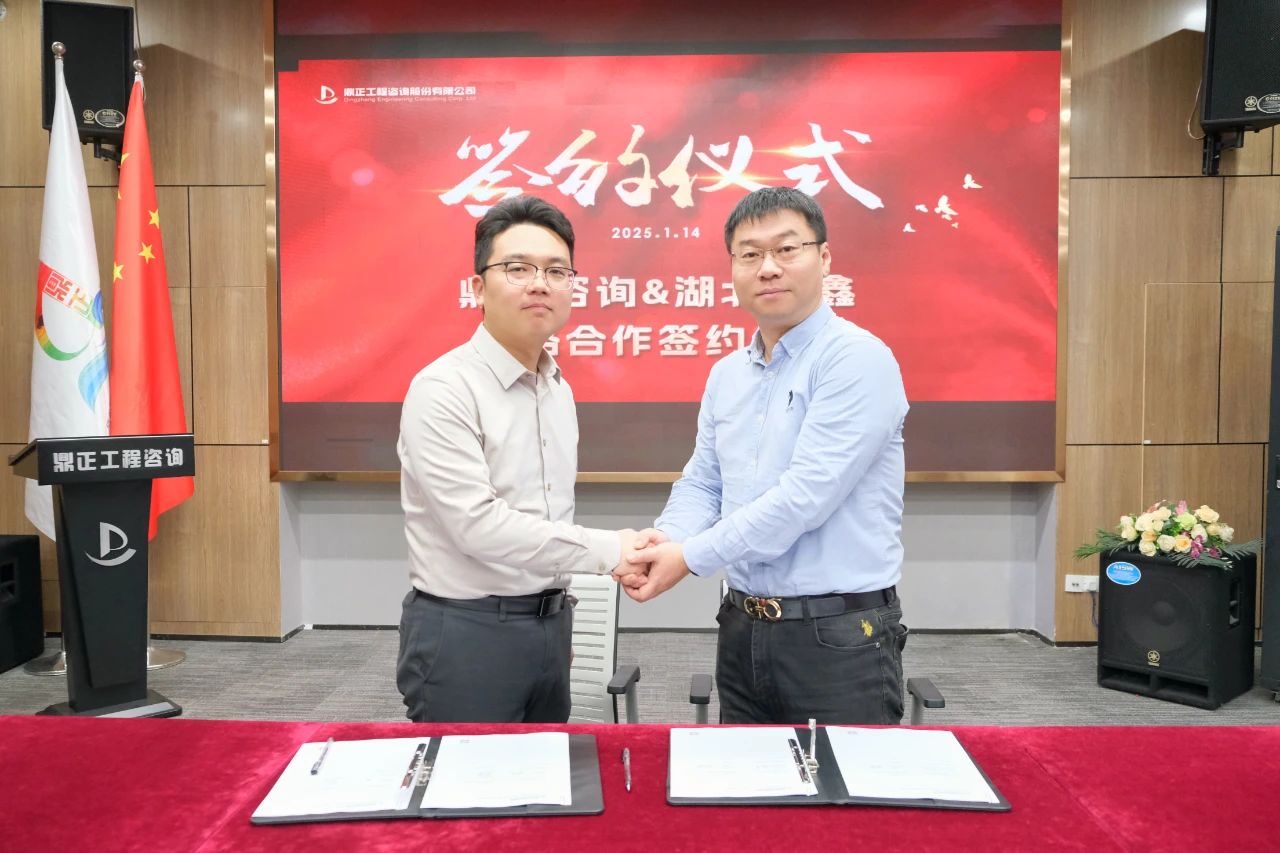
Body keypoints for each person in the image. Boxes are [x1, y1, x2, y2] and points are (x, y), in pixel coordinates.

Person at [619, 186, 910, 725]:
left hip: (837, 636)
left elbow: (803, 499)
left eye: (787, 249)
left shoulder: (856, 359)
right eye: (750, 254)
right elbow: (704, 482)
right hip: (742, 627)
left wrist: (688, 557)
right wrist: (665, 539)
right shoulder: (727, 374)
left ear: (824, 258)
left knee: (839, 778)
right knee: (744, 776)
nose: (768, 268)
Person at [396, 195, 636, 723]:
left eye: (556, 271)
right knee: (467, 774)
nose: (539, 284)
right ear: (478, 287)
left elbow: (549, 514)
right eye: (518, 268)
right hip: (467, 634)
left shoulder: (556, 388)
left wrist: (553, 627)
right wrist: (610, 550)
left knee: (547, 770)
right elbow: (477, 526)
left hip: (549, 626)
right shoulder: (444, 388)